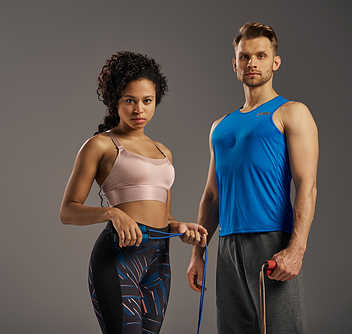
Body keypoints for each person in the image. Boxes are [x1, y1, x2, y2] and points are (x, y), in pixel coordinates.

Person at [60, 51, 208, 334]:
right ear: (115, 101)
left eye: (147, 101)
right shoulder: (101, 146)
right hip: (118, 258)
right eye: (130, 100)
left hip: (158, 262)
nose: (139, 109)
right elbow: (67, 211)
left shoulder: (164, 152)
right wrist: (112, 213)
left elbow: (163, 215)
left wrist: (180, 227)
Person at [186, 22, 318, 333]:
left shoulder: (291, 112)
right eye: (244, 57)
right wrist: (197, 254)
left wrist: (296, 249)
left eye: (261, 55)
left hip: (271, 241)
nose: (252, 63)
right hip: (228, 245)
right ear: (235, 64)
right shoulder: (220, 126)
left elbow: (307, 187)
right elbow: (212, 196)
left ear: (275, 61)